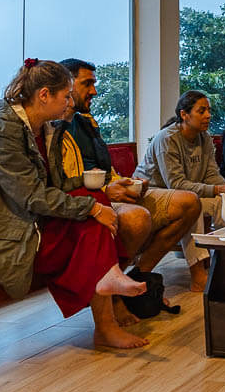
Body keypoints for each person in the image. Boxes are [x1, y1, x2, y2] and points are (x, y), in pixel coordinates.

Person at [0, 59, 150, 350]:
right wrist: (91, 208)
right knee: (91, 217)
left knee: (95, 204)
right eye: (65, 96)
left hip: (24, 222)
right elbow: (32, 195)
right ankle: (107, 305)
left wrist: (97, 193)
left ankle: (108, 295)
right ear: (44, 95)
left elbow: (57, 186)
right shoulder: (0, 130)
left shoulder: (45, 128)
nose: (69, 103)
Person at [53, 59, 202, 304]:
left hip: (112, 190)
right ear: (65, 86)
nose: (95, 91)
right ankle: (114, 293)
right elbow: (63, 182)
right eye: (87, 84)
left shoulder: (86, 123)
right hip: (87, 199)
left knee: (189, 202)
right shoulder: (51, 130)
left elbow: (105, 168)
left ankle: (139, 275)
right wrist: (106, 190)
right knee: (136, 219)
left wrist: (126, 183)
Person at [136, 91, 225, 286]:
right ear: (184, 114)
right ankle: (197, 274)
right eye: (202, 111)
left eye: (208, 110)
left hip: (185, 194)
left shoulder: (205, 138)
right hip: (152, 195)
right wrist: (217, 189)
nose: (208, 115)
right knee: (193, 205)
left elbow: (211, 174)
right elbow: (175, 184)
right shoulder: (167, 139)